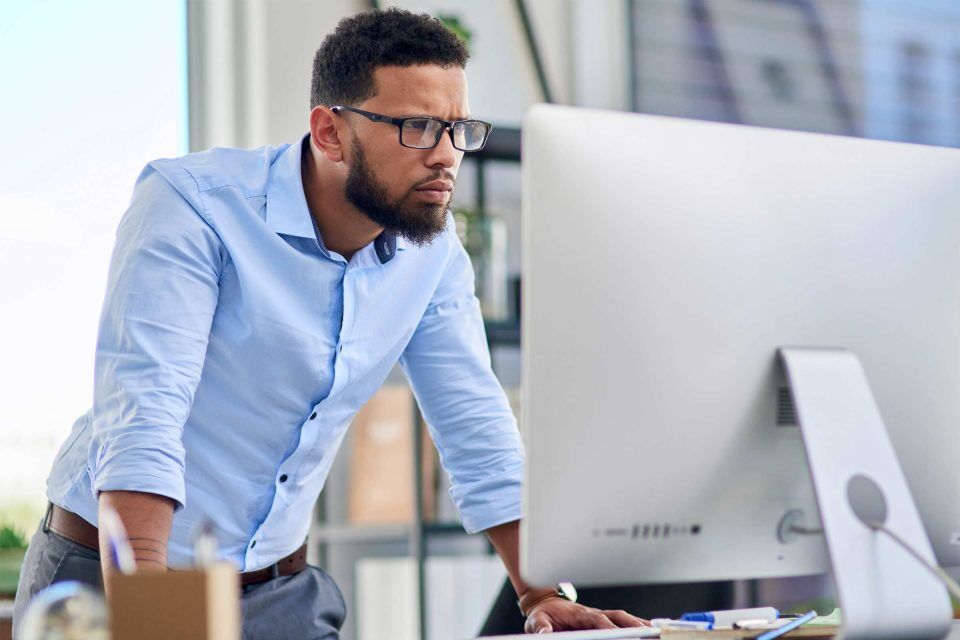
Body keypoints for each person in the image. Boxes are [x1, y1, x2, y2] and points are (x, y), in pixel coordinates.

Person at [13, 9, 649, 638]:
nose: (446, 156)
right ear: (329, 132)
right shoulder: (193, 207)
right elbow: (143, 421)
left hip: (277, 590)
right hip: (115, 576)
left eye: (458, 129)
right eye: (419, 127)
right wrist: (150, 621)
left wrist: (542, 591)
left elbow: (476, 424)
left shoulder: (434, 254)